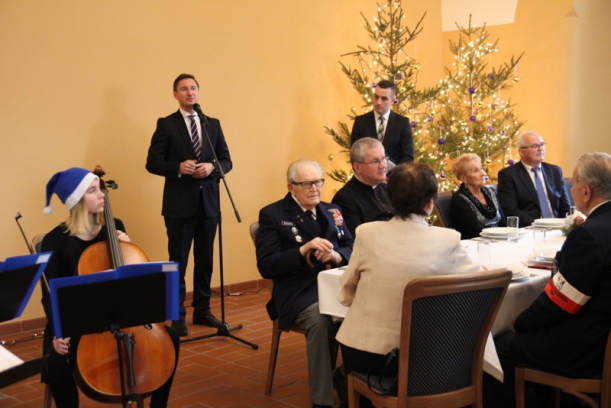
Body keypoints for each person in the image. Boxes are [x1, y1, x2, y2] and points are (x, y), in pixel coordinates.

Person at [336, 162, 481, 408]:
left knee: (344, 365)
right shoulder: (447, 240)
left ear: (390, 199)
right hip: (430, 357)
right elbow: (481, 284)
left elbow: (347, 293)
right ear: (431, 202)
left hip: (370, 354)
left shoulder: (367, 233)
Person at [40, 168, 179, 408]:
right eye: (92, 191)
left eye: (100, 189)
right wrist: (58, 332)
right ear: (76, 199)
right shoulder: (55, 240)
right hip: (76, 322)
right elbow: (49, 294)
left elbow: (133, 280)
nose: (101, 195)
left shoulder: (115, 227)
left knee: (172, 338)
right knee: (58, 359)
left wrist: (128, 247)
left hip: (120, 314)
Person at [489, 152, 611, 407]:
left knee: (494, 347)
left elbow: (562, 302)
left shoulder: (589, 234)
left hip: (588, 348)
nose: (571, 189)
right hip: (600, 334)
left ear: (586, 192)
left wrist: (519, 322)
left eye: (574, 183)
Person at [255, 159, 353, 408]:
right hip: (298, 292)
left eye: (318, 182)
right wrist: (303, 250)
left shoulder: (333, 210)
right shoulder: (273, 214)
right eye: (307, 184)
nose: (315, 188)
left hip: (336, 285)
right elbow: (267, 265)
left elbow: (352, 245)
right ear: (291, 187)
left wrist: (337, 255)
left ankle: (349, 381)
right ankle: (323, 401)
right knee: (321, 321)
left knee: (366, 312)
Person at [146, 73, 233, 336]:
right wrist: (178, 167)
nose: (189, 92)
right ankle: (177, 316)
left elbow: (226, 161)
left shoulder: (212, 124)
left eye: (193, 88)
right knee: (179, 262)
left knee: (205, 261)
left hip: (209, 205)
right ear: (175, 94)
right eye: (183, 89)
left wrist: (211, 167)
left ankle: (203, 310)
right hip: (179, 207)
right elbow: (152, 162)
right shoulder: (166, 124)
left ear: (199, 92)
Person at [497, 131, 570, 227]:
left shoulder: (555, 171)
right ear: (521, 152)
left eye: (542, 144)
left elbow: (565, 207)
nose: (540, 149)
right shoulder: (508, 175)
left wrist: (566, 224)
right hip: (530, 228)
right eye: (535, 146)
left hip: (558, 226)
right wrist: (541, 224)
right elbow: (511, 211)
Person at [331, 137, 393, 237]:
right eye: (375, 161)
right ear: (358, 167)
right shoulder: (344, 199)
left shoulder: (387, 188)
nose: (383, 166)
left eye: (383, 159)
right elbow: (357, 238)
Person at [350, 80, 414, 168]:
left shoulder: (402, 123)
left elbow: (408, 156)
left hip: (394, 175)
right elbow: (355, 154)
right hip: (368, 174)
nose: (378, 102)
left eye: (384, 99)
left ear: (392, 100)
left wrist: (395, 173)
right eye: (376, 97)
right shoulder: (360, 122)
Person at [450, 153, 505, 239]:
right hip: (477, 243)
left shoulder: (491, 192)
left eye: (481, 168)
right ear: (463, 178)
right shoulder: (459, 199)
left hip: (500, 240)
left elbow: (503, 224)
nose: (483, 173)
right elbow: (476, 231)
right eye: (475, 171)